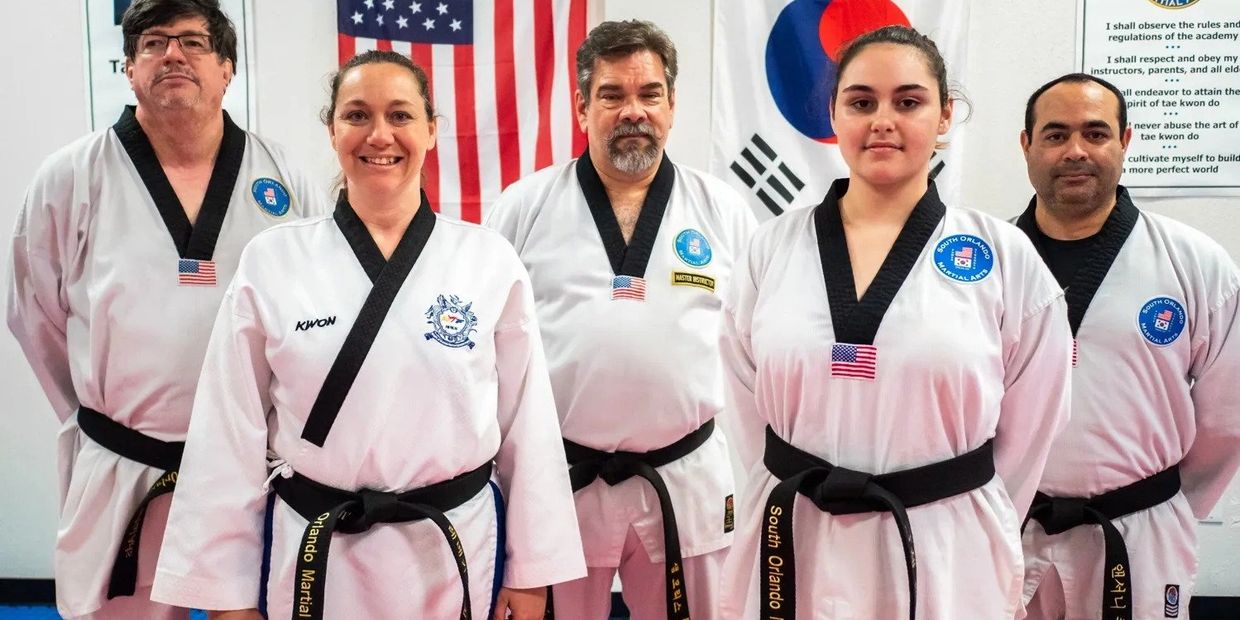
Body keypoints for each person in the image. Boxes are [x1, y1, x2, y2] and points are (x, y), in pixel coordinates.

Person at [148, 50, 585, 620]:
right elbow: (227, 434)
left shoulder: (487, 261)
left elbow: (528, 428)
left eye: (401, 115)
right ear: (332, 130)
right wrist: (227, 596)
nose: (380, 134)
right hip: (317, 552)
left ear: (431, 130)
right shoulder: (274, 260)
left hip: (449, 548)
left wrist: (533, 573)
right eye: (357, 115)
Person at [716, 25, 1073, 620]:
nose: (883, 119)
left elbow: (1035, 418)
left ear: (943, 117)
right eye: (861, 102)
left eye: (908, 102)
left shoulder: (1001, 256)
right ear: (834, 114)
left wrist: (957, 500)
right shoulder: (770, 249)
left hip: (942, 539)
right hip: (798, 531)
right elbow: (741, 397)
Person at [5, 1, 328, 617]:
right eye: (154, 44)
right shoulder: (70, 177)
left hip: (251, 471)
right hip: (125, 464)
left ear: (228, 67)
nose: (173, 55)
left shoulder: (284, 174)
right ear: (128, 68)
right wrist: (99, 416)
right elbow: (32, 314)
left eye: (194, 43)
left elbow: (312, 317)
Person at [484, 19, 756, 620]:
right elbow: (485, 354)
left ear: (672, 104)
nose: (633, 110)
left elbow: (755, 349)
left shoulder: (723, 211)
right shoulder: (524, 208)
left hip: (685, 479)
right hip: (561, 478)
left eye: (649, 94)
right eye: (612, 95)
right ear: (582, 108)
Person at [1015, 73, 1240, 620]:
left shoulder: (1194, 262)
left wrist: (1165, 506)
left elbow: (1226, 418)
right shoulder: (988, 263)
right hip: (1013, 528)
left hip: (1139, 531)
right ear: (1026, 145)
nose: (1075, 151)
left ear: (1125, 141)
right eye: (1055, 134)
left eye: (1095, 133)